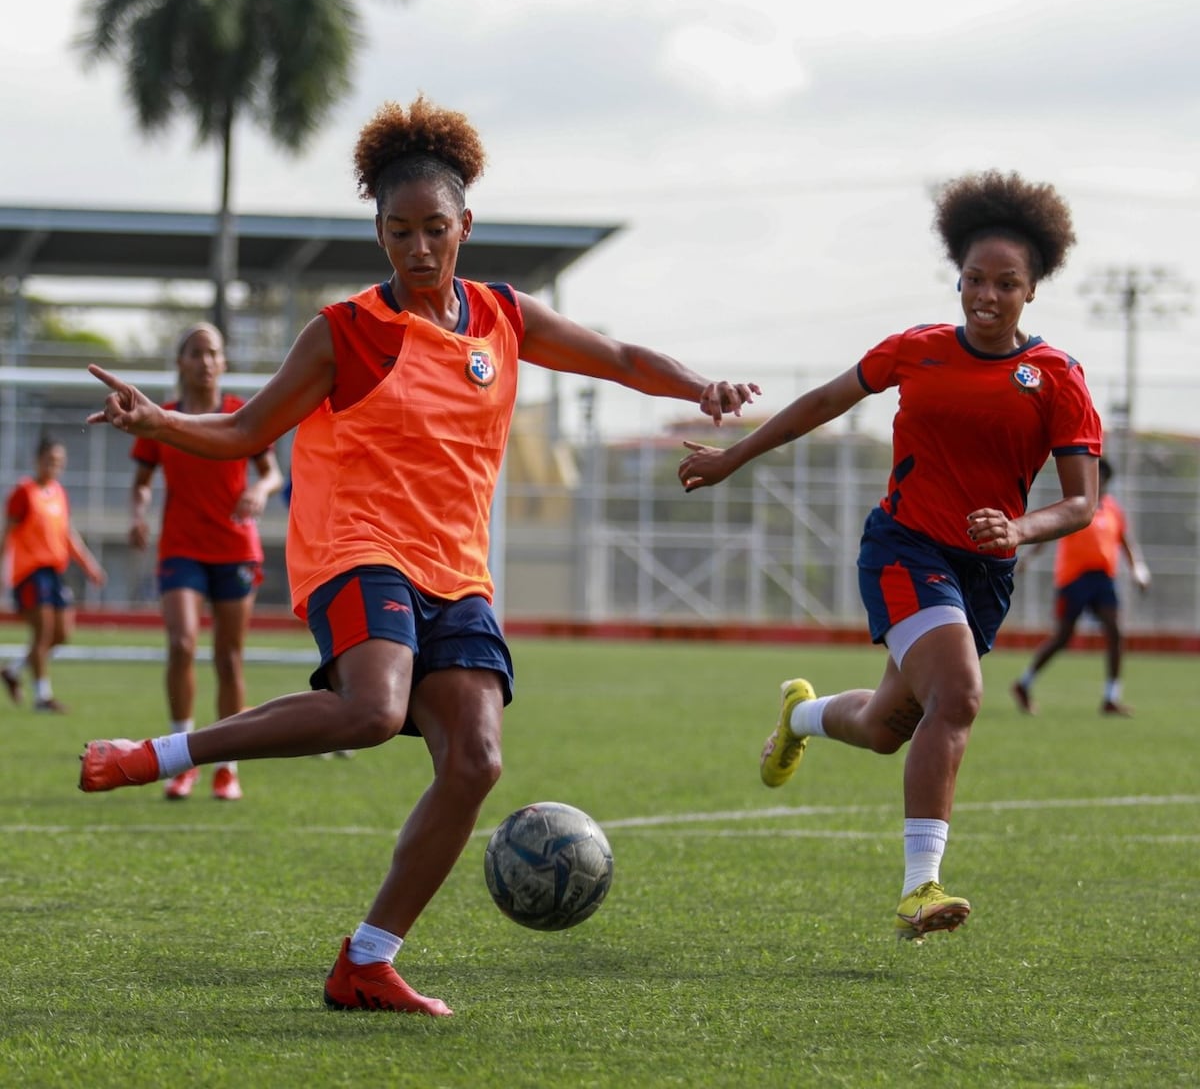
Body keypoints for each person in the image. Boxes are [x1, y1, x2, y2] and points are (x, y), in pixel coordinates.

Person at [78, 95, 760, 1015]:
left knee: (476, 761)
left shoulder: (504, 317)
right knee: (372, 708)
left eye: (435, 228)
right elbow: (244, 431)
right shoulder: (344, 332)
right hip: (356, 552)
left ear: (466, 226)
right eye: (398, 231)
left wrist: (700, 385)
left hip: (458, 572)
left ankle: (366, 961)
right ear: (380, 233)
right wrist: (157, 420)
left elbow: (620, 355)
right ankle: (158, 754)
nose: (418, 248)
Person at [678, 170, 1102, 942]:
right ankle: (920, 889)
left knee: (883, 728)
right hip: (905, 550)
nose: (986, 295)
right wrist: (733, 456)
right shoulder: (917, 351)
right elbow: (822, 403)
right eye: (975, 279)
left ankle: (800, 714)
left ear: (1032, 290)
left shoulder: (1058, 380)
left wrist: (1021, 530)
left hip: (984, 571)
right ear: (959, 278)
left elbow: (1083, 502)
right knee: (962, 697)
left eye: (1007, 283)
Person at [129, 323, 284, 801]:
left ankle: (227, 767)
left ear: (223, 361)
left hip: (235, 548)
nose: (204, 361)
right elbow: (142, 480)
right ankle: (182, 759)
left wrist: (258, 490)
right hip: (180, 547)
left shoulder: (241, 412)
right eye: (195, 353)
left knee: (229, 658)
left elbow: (271, 472)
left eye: (212, 352)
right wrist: (138, 512)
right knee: (180, 643)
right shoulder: (163, 418)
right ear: (181, 362)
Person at [1011, 456, 1150, 717]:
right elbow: (1049, 530)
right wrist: (1028, 560)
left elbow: (1126, 542)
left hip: (1102, 579)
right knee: (1063, 637)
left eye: (1105, 478)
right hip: (1073, 578)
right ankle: (1023, 684)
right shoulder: (1076, 504)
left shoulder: (1112, 509)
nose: (1101, 482)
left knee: (1116, 631)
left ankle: (1111, 697)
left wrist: (1138, 570)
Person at [2, 435, 107, 712]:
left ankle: (13, 671)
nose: (54, 467)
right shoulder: (23, 492)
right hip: (30, 572)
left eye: (59, 462)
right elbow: (8, 534)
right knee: (43, 633)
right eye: (49, 461)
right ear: (38, 461)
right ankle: (42, 698)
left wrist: (89, 565)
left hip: (54, 571)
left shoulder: (58, 492)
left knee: (62, 633)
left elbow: (67, 534)